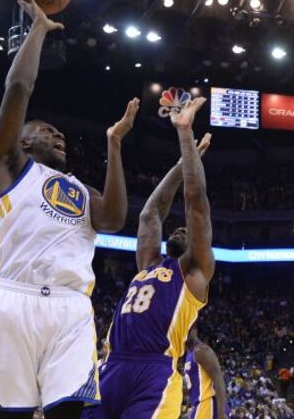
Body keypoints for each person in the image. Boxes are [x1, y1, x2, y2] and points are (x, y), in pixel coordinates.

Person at [0, 0, 139, 419]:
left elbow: (115, 219)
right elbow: (18, 87)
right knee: (10, 413)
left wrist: (115, 144)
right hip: (14, 297)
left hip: (71, 306)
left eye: (60, 133)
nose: (58, 135)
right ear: (24, 139)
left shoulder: (78, 188)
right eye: (47, 131)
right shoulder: (7, 165)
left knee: (69, 414)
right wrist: (38, 30)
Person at [83, 96, 214, 418]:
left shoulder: (195, 273)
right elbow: (151, 213)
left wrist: (185, 135)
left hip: (154, 374)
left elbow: (195, 201)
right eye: (178, 228)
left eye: (186, 231)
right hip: (111, 367)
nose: (179, 230)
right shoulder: (150, 264)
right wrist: (183, 164)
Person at [184, 326, 229, 418]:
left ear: (194, 331)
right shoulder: (190, 354)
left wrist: (221, 413)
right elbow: (194, 386)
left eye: (187, 331)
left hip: (208, 403)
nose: (184, 334)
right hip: (201, 404)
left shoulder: (201, 350)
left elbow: (218, 378)